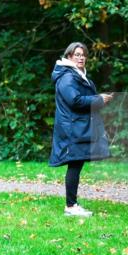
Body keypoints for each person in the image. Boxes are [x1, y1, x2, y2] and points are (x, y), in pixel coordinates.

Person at [49, 42, 113, 216]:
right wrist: (99, 99)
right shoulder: (68, 77)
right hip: (72, 129)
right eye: (77, 54)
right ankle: (70, 206)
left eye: (83, 54)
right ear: (69, 56)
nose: (81, 57)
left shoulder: (76, 75)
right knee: (75, 165)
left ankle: (72, 205)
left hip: (77, 127)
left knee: (76, 164)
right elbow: (75, 101)